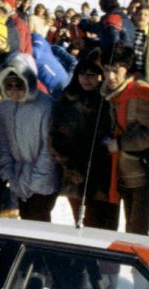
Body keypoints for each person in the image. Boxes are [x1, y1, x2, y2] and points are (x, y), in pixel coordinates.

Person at [101, 44, 149, 236]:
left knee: (137, 233)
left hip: (142, 175)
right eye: (106, 70)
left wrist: (122, 143)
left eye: (116, 71)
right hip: (121, 173)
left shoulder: (140, 95)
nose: (110, 77)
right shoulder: (111, 93)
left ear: (128, 70)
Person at [49, 47, 119, 230]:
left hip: (105, 174)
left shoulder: (110, 100)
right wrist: (70, 167)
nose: (87, 79)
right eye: (83, 74)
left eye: (92, 75)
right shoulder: (67, 100)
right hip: (76, 174)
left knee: (108, 225)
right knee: (86, 224)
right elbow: (55, 138)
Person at [0, 52, 59, 221]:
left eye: (19, 85)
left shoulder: (45, 106)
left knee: (38, 222)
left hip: (42, 178)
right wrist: (8, 173)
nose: (14, 90)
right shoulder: (3, 107)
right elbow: (3, 143)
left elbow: (48, 147)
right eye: (9, 85)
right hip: (18, 176)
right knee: (24, 222)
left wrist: (37, 180)